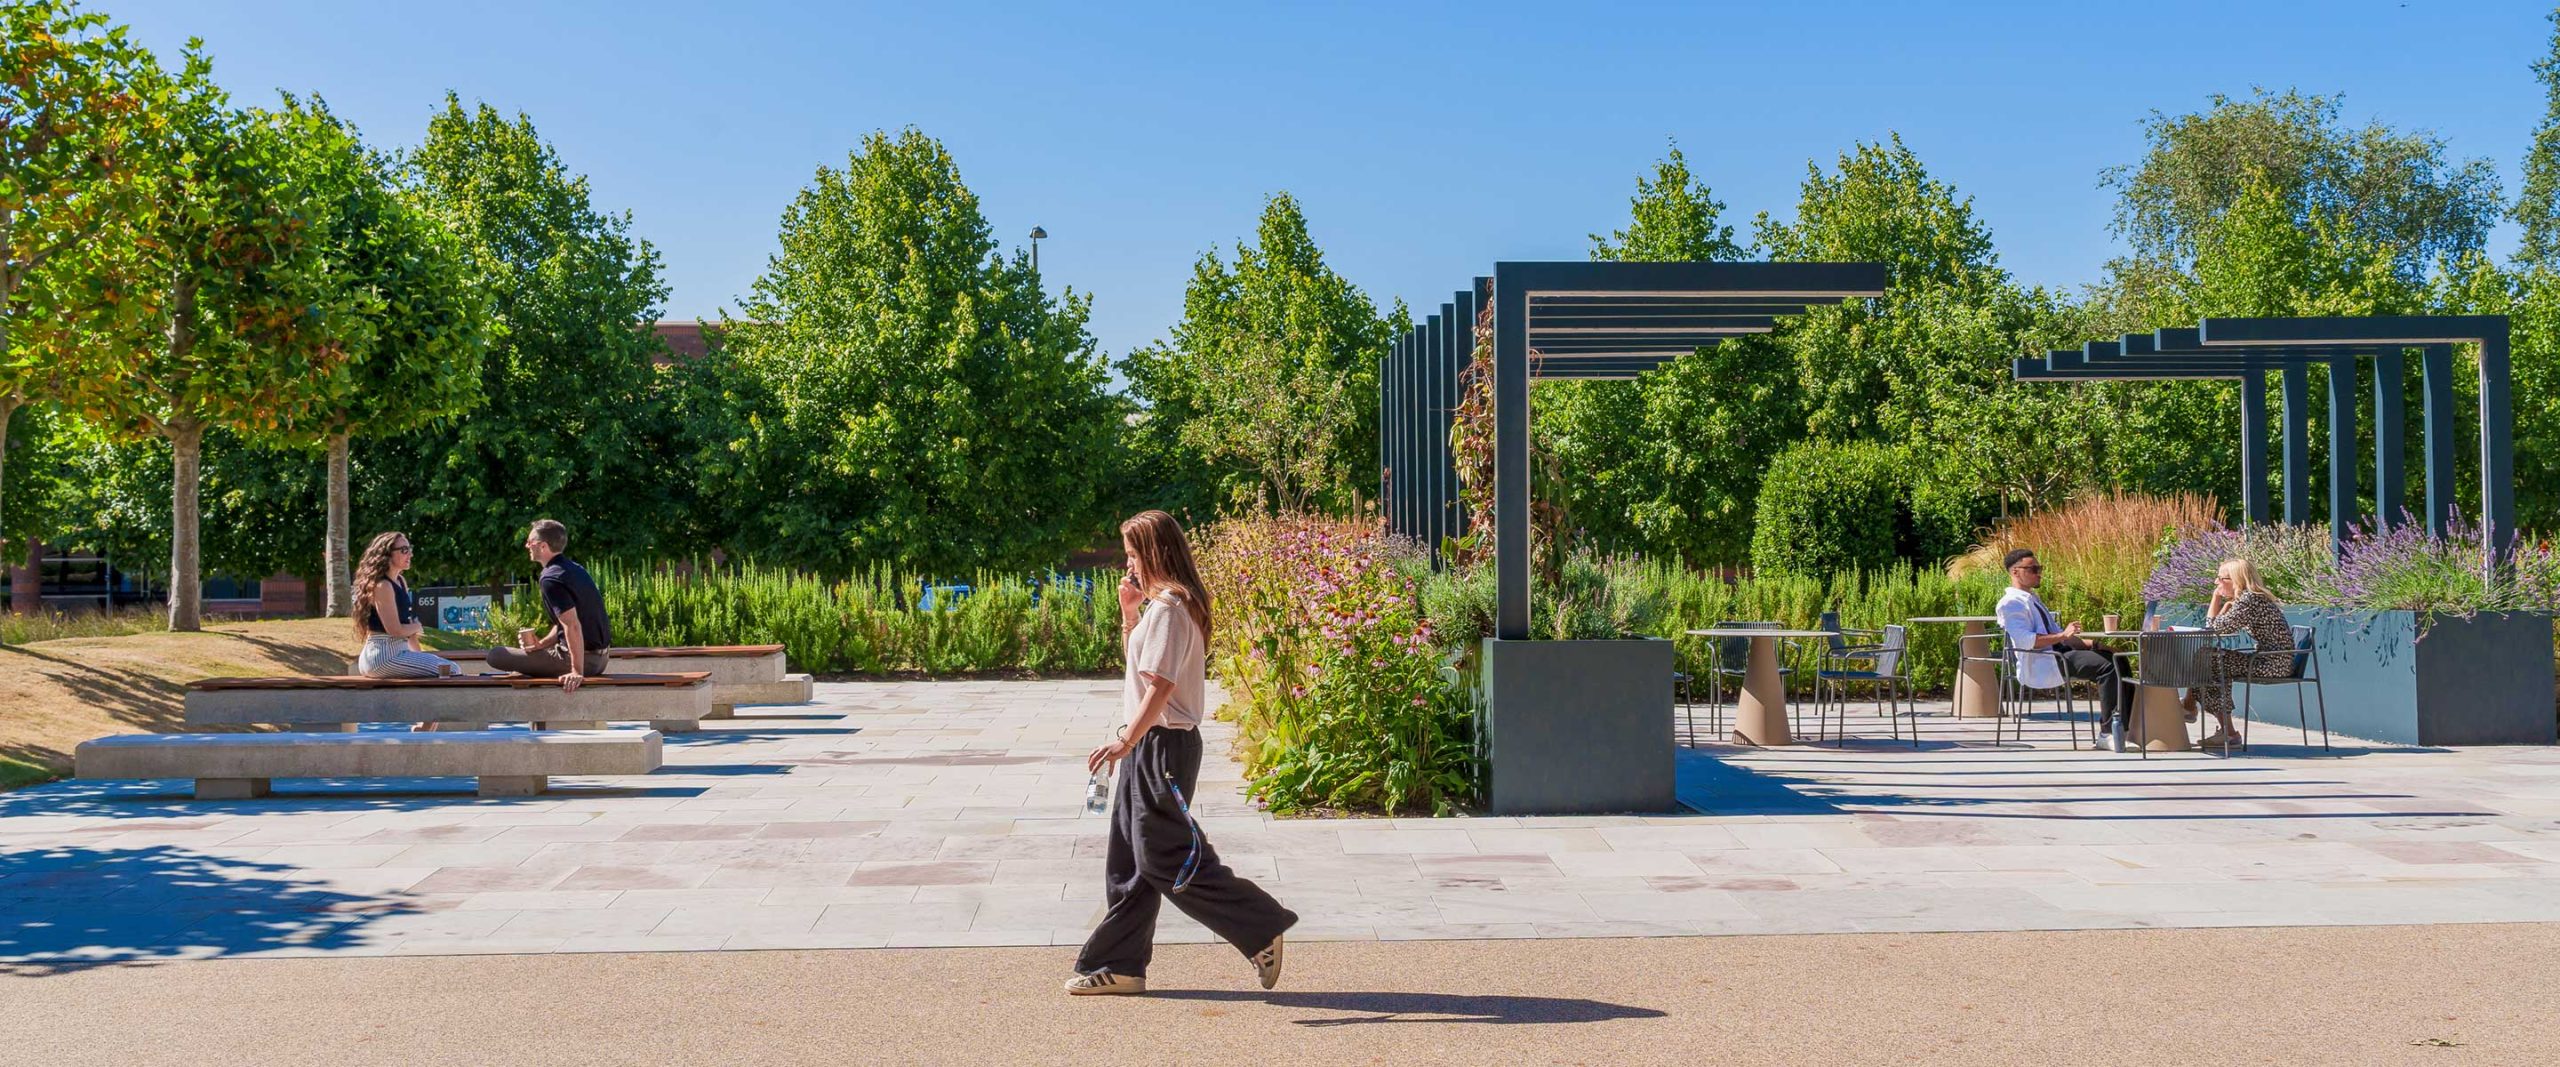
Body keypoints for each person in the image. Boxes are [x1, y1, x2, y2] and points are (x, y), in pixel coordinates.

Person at [1066, 510, 1296, 996]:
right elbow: (1140, 666)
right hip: (1147, 742)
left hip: (1161, 745)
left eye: (1133, 555)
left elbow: (1162, 687)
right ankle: (1121, 966)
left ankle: (1260, 926)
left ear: (1154, 553)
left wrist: (1125, 741)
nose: (1129, 567)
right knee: (1128, 859)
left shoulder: (1172, 608)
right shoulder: (1158, 608)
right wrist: (1130, 613)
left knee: (1163, 854)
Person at [1994, 548, 2138, 751]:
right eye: (2033, 568)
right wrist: (2063, 636)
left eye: (2039, 568)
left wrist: (2097, 645)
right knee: (2107, 667)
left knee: (2117, 659)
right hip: (2042, 662)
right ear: (2015, 572)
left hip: (2059, 654)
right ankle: (2107, 734)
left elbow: (2062, 636)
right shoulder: (2010, 604)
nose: (2038, 573)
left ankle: (2122, 729)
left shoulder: (2033, 599)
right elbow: (2026, 641)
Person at [2181, 558, 2296, 750]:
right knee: (2208, 658)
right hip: (2272, 660)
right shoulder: (2251, 598)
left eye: (2220, 578)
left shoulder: (2249, 599)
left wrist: (2216, 599)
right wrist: (2226, 606)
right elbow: (2220, 628)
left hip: (2272, 664)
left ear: (2235, 579)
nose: (2216, 583)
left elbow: (2213, 628)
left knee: (2208, 660)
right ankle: (2199, 713)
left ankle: (2193, 709)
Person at [485, 519, 610, 692]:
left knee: (496, 655)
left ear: (543, 546)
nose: (527, 546)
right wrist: (541, 644)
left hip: (584, 662)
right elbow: (565, 621)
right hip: (601, 659)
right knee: (522, 661)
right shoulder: (573, 568)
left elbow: (572, 625)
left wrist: (576, 671)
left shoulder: (551, 578)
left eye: (530, 542)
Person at [351, 531, 462, 680]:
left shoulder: (401, 581)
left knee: (444, 669)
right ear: (387, 554)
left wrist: (420, 657)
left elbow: (407, 631)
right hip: (383, 657)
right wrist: (418, 626)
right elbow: (396, 630)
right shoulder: (382, 586)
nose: (410, 554)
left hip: (396, 654)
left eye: (410, 549)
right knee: (452, 669)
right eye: (404, 550)